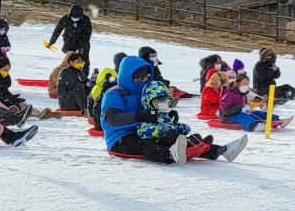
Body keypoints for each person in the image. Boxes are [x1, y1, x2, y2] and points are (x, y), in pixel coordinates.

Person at [101, 55, 245, 164]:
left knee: (171, 136)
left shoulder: (144, 92)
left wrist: (166, 115)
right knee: (149, 145)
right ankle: (169, 155)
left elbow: (153, 108)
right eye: (138, 78)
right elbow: (112, 119)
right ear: (128, 76)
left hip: (143, 131)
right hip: (119, 138)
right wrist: (140, 116)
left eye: (145, 77)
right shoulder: (114, 94)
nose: (142, 81)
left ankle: (220, 150)